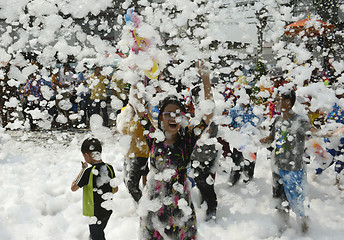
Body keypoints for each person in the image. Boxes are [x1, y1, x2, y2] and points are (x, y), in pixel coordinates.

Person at [131, 62, 212, 239]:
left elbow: (208, 114)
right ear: (160, 119)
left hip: (180, 207)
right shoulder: (153, 137)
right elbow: (138, 107)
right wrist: (135, 75)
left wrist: (206, 79)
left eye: (177, 114)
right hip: (154, 204)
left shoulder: (187, 140)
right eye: (168, 114)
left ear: (183, 119)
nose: (173, 117)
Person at [260, 89, 312, 233]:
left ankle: (306, 233)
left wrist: (330, 133)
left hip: (294, 169)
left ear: (288, 101)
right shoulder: (277, 119)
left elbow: (312, 132)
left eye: (278, 100)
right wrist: (254, 141)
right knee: (280, 202)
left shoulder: (299, 120)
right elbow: (272, 138)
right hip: (278, 167)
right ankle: (283, 230)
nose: (275, 103)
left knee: (299, 204)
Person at [71, 138, 118, 240]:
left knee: (97, 236)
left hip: (94, 214)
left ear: (87, 155)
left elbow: (73, 187)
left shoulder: (88, 172)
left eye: (84, 156)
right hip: (107, 211)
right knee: (98, 233)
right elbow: (115, 189)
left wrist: (82, 170)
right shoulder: (109, 168)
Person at [188, 85, 218, 221]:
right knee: (202, 184)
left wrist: (206, 81)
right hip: (199, 157)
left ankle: (211, 213)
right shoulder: (196, 115)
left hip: (205, 157)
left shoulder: (207, 114)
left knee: (207, 186)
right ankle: (206, 208)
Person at [227, 87, 263, 186]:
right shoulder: (234, 110)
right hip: (239, 141)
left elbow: (261, 124)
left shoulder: (255, 110)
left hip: (252, 142)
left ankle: (248, 181)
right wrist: (234, 129)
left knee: (251, 162)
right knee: (237, 162)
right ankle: (233, 182)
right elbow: (229, 125)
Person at [116, 104, 150, 202]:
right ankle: (142, 204)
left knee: (131, 184)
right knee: (126, 182)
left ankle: (144, 209)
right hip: (128, 152)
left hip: (140, 153)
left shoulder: (145, 112)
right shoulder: (125, 111)